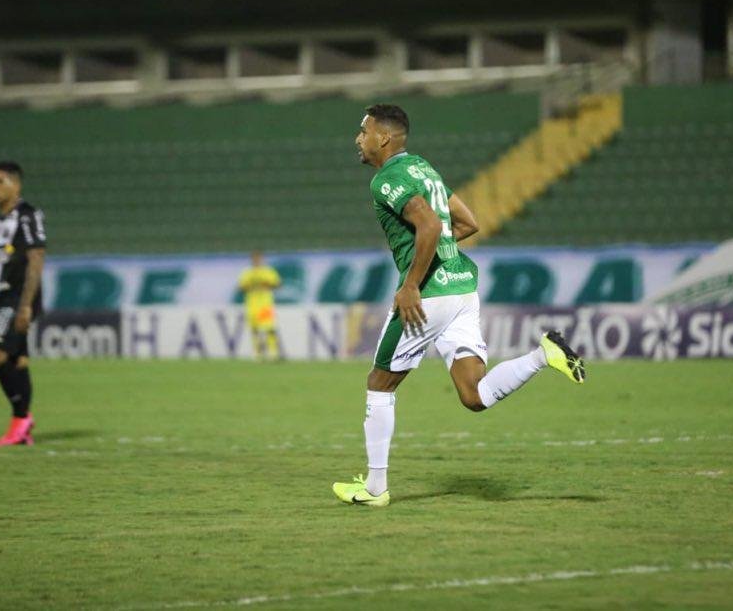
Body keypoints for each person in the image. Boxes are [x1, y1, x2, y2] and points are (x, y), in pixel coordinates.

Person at [332, 104, 586, 507]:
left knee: (379, 384)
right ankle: (543, 355)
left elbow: (431, 226)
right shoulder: (422, 169)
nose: (357, 139)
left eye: (363, 132)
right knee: (474, 395)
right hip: (462, 289)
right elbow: (466, 223)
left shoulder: (388, 178)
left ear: (384, 137)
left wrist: (411, 285)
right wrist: (441, 254)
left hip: (428, 296)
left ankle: (376, 489)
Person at [0, 162, 46, 447]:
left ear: (16, 185)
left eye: (0, 181)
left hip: (19, 295)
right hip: (3, 295)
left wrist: (26, 304)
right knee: (17, 359)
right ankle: (21, 426)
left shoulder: (27, 216)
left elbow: (37, 258)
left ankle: (21, 419)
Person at [238, 251, 283, 361]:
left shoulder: (268, 272)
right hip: (252, 305)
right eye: (255, 258)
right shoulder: (247, 273)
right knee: (255, 330)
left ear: (262, 259)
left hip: (265, 304)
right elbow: (241, 288)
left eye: (259, 258)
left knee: (269, 328)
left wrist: (268, 285)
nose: (257, 260)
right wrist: (249, 286)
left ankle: (273, 353)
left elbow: (278, 284)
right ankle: (257, 354)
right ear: (252, 259)